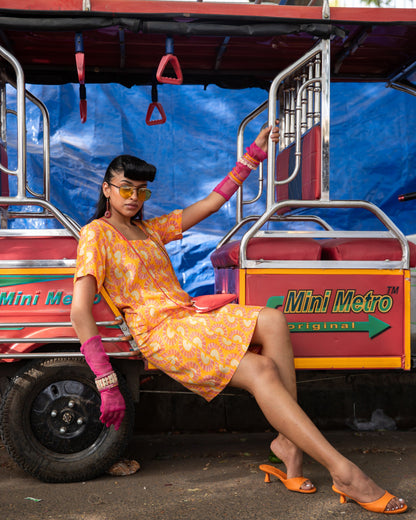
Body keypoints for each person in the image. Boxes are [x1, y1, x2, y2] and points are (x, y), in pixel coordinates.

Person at [71, 124, 407, 515]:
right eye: (126, 188)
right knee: (262, 370)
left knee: (274, 320)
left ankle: (289, 447)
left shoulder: (148, 230)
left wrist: (254, 154)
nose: (134, 197)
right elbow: (80, 308)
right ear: (107, 188)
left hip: (191, 316)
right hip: (162, 332)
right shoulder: (96, 234)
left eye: (141, 191)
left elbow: (212, 204)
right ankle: (344, 472)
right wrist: (105, 380)